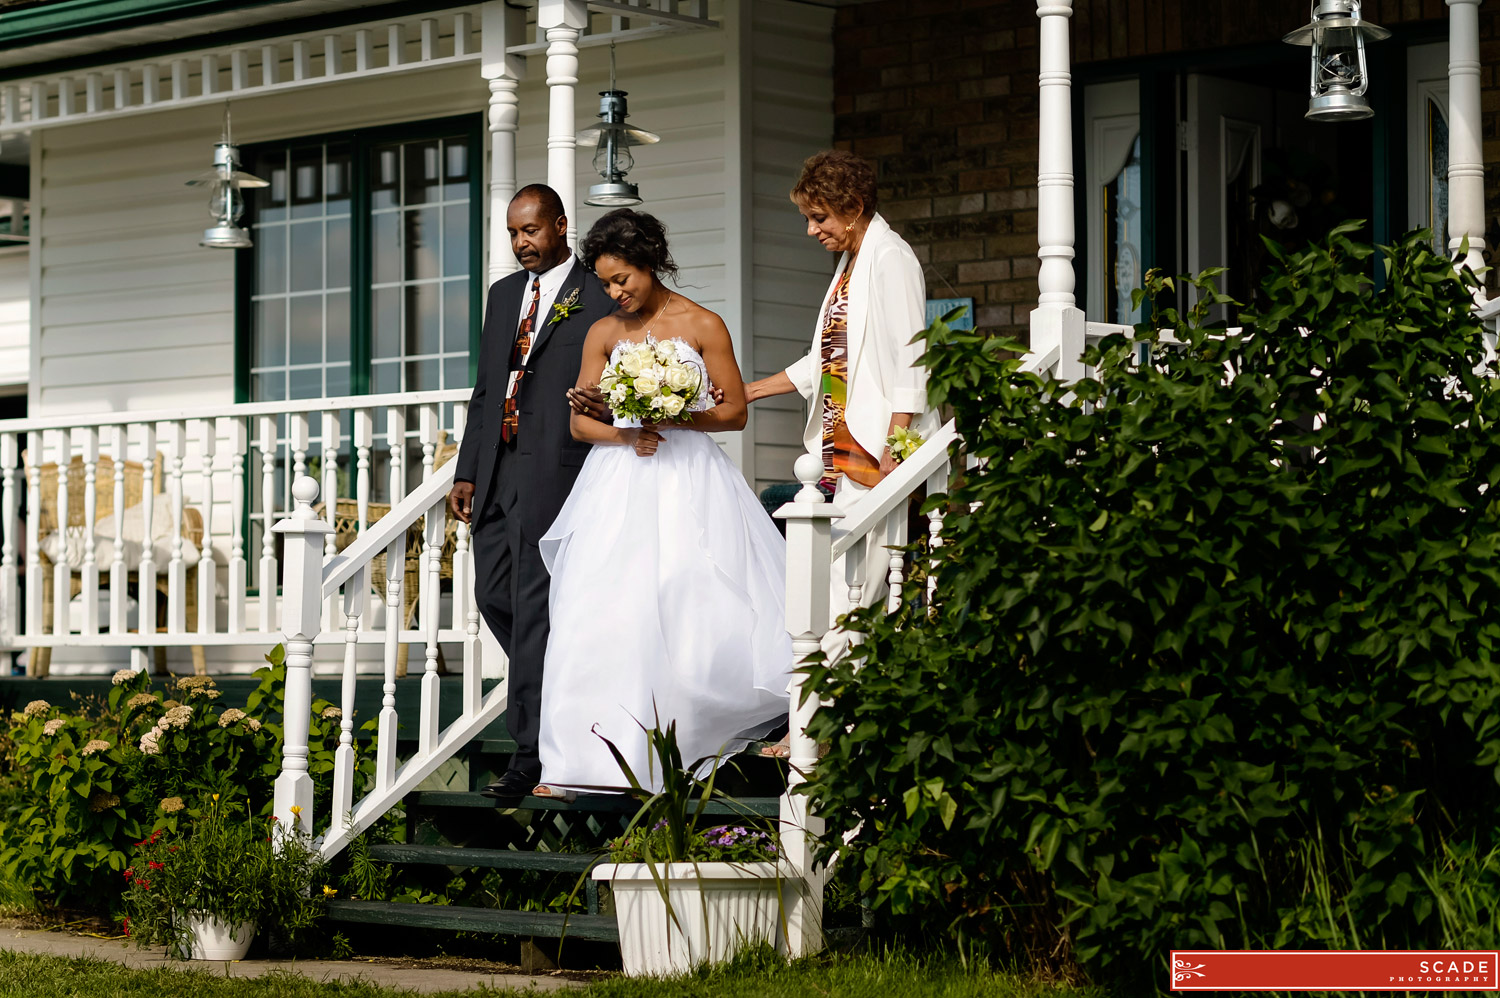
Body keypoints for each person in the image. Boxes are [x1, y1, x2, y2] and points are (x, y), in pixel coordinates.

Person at [533, 208, 791, 798]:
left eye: (622, 278)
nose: (614, 292)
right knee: (599, 610)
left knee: (682, 602)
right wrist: (626, 431)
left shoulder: (702, 324)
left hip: (687, 479)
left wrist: (675, 414)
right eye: (604, 282)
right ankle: (580, 761)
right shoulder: (603, 333)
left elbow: (734, 411)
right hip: (618, 482)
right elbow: (580, 423)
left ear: (650, 263)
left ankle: (676, 744)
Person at [742, 150, 933, 757]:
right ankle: (812, 729)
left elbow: (911, 361)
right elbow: (827, 356)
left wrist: (898, 453)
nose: (811, 229)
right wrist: (752, 388)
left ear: (853, 208)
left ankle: (818, 735)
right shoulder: (851, 262)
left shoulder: (891, 258)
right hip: (837, 455)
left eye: (819, 216)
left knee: (857, 596)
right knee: (833, 595)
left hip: (875, 457)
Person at [449, 184, 617, 806]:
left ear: (561, 226)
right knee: (493, 593)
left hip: (559, 469)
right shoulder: (502, 296)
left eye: (532, 231)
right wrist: (466, 471)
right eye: (514, 234)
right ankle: (552, 700)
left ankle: (531, 754)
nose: (522, 243)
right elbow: (487, 388)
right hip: (496, 470)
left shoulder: (597, 292)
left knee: (535, 605)